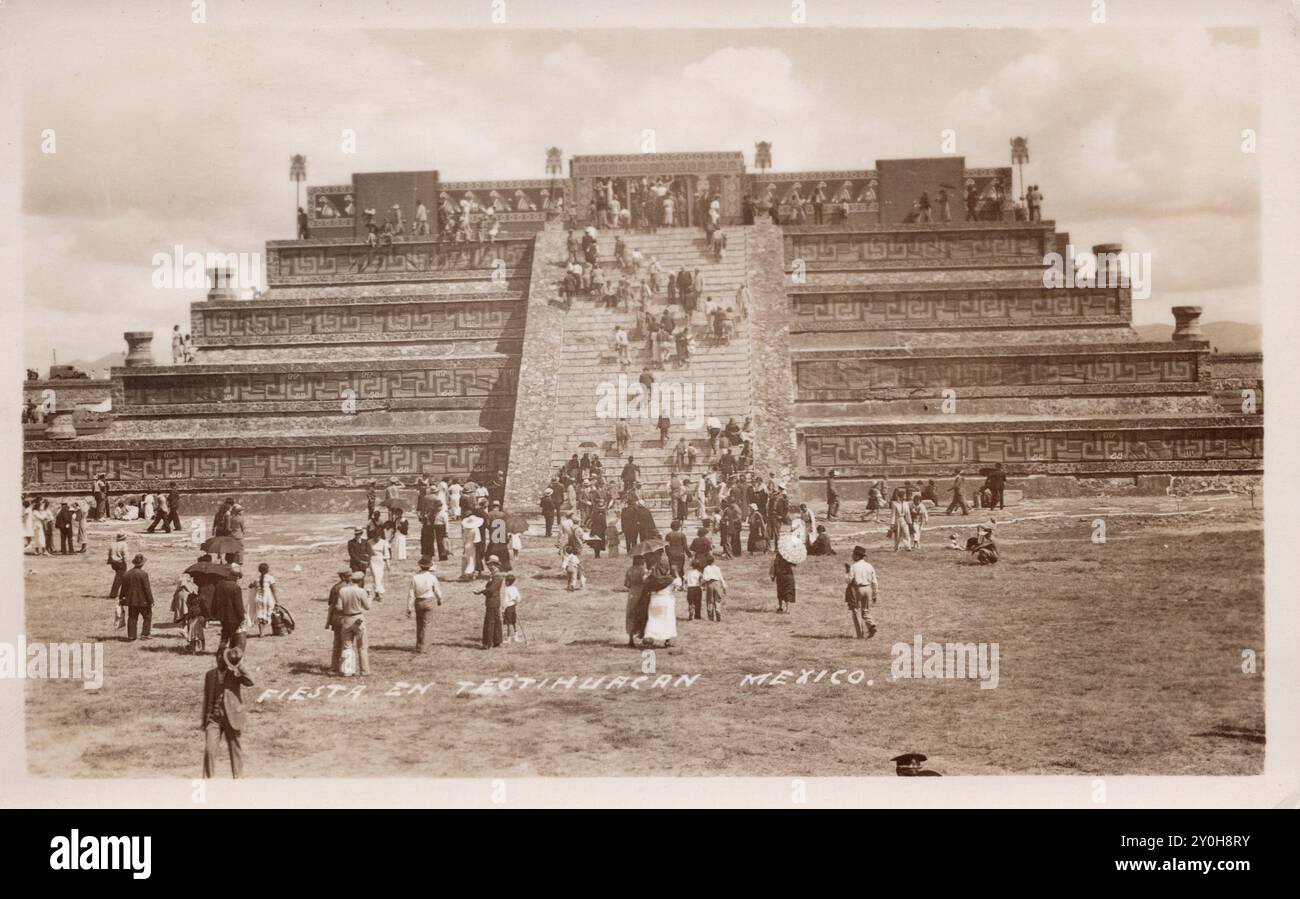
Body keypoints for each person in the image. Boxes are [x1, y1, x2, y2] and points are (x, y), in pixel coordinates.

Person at [201, 646, 254, 779]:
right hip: (214, 719)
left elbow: (250, 681)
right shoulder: (210, 674)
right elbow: (207, 698)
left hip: (232, 717)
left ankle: (238, 779)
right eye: (217, 656)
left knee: (235, 749)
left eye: (222, 657)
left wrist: (239, 666)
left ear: (226, 660)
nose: (219, 659)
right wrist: (205, 720)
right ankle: (208, 780)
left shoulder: (235, 674)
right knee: (209, 750)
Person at [335, 571, 372, 676]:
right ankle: (364, 671)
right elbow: (367, 607)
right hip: (358, 618)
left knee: (347, 646)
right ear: (361, 581)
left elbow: (339, 607)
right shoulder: (361, 591)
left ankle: (347, 670)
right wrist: (369, 596)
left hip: (346, 619)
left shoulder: (343, 591)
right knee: (362, 646)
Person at [640, 548, 678, 646]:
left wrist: (648, 573)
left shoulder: (651, 579)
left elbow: (644, 581)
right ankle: (668, 640)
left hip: (655, 600)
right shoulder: (669, 579)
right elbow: (679, 583)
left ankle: (649, 638)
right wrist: (676, 573)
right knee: (668, 620)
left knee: (653, 619)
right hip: (667, 601)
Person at [405, 556, 444, 653]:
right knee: (427, 624)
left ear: (420, 566)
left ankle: (419, 645)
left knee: (419, 624)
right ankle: (425, 646)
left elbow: (411, 594)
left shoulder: (415, 577)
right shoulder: (432, 577)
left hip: (418, 601)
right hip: (429, 600)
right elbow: (437, 591)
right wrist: (439, 600)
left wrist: (409, 607)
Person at [211, 564, 247, 654]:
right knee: (234, 635)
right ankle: (232, 653)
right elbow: (238, 605)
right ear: (234, 576)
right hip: (233, 616)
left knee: (225, 633)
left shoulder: (219, 584)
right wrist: (242, 617)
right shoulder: (235, 587)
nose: (237, 579)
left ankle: (221, 650)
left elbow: (215, 600)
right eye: (237, 577)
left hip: (222, 615)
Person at [119, 553, 155, 641]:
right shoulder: (143, 574)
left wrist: (121, 597)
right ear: (142, 564)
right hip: (143, 601)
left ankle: (131, 636)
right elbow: (147, 589)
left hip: (131, 601)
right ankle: (145, 634)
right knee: (147, 616)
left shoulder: (127, 574)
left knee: (132, 617)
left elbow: (123, 587)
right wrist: (151, 600)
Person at [845, 545, 879, 639]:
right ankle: (871, 624)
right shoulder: (869, 566)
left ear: (857, 556)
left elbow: (849, 580)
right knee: (865, 610)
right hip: (868, 589)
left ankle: (860, 634)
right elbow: (874, 581)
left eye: (853, 554)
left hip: (857, 589)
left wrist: (847, 572)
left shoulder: (854, 567)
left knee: (855, 611)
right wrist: (875, 594)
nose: (852, 556)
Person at [477, 556, 505, 649]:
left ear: (496, 565)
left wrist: (480, 591)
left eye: (491, 564)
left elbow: (492, 589)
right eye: (489, 564)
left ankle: (488, 643)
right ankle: (497, 641)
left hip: (492, 602)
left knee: (490, 622)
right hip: (494, 601)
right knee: (496, 621)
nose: (490, 566)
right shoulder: (494, 575)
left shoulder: (497, 576)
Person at [248, 562, 277, 637]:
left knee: (260, 614)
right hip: (267, 598)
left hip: (258, 598)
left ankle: (261, 633)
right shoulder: (270, 578)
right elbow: (273, 590)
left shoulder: (257, 579)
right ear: (267, 570)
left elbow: (250, 586)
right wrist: (276, 600)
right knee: (269, 613)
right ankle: (275, 630)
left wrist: (252, 585)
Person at [624, 555, 646, 647]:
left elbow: (626, 584)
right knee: (642, 615)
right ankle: (642, 636)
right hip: (641, 593)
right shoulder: (643, 570)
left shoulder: (629, 570)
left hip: (632, 594)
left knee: (631, 615)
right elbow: (646, 581)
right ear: (641, 560)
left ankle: (631, 639)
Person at [702, 554, 726, 623]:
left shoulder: (706, 568)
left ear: (707, 562)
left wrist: (701, 584)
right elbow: (721, 577)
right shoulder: (717, 568)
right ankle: (718, 610)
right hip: (717, 583)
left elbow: (705, 579)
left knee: (710, 600)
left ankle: (710, 617)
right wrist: (724, 586)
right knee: (717, 599)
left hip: (710, 584)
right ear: (714, 561)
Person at [460, 510, 483, 580]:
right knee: (472, 560)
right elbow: (477, 540)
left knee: (466, 559)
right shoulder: (475, 529)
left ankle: (464, 573)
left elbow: (463, 539)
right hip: (472, 545)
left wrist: (464, 546)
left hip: (466, 545)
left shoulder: (465, 529)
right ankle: (469, 573)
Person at [107, 532, 130, 598]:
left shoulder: (112, 544)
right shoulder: (124, 544)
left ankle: (124, 593)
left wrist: (110, 562)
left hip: (113, 563)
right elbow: (125, 555)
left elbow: (109, 554)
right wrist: (126, 563)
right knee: (119, 579)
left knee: (121, 578)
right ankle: (113, 594)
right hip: (120, 563)